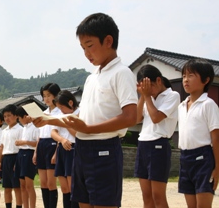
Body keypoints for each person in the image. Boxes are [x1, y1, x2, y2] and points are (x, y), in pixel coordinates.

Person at [62, 13, 138, 208]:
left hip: (104, 148)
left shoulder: (121, 72)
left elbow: (131, 117)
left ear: (108, 41)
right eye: (82, 48)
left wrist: (88, 129)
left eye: (89, 45)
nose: (86, 53)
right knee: (83, 203)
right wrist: (48, 120)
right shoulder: (91, 77)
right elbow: (83, 116)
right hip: (82, 148)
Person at [135, 64, 180, 208]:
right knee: (146, 196)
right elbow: (136, 119)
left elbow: (156, 118)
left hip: (158, 145)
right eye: (144, 87)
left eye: (150, 86)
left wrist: (147, 96)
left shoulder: (172, 95)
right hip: (143, 143)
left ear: (159, 81)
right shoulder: (148, 97)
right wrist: (143, 96)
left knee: (158, 196)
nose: (149, 90)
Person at [178, 59, 219, 208]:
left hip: (203, 158)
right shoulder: (181, 106)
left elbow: (216, 139)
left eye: (191, 75)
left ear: (206, 80)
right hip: (185, 158)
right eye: (183, 76)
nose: (185, 80)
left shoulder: (208, 105)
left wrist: (217, 169)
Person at [33, 83, 61, 208]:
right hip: (42, 145)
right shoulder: (43, 113)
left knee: (51, 183)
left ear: (56, 95)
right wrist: (35, 152)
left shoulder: (60, 112)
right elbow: (39, 134)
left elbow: (60, 133)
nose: (46, 98)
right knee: (43, 183)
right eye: (44, 96)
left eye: (49, 95)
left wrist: (56, 152)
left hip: (52, 143)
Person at [51, 90, 80, 208]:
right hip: (62, 149)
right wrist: (62, 140)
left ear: (71, 102)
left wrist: (66, 124)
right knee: (64, 187)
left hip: (74, 149)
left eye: (62, 107)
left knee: (72, 186)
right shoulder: (61, 115)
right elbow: (53, 132)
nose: (61, 110)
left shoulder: (80, 113)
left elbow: (78, 134)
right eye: (59, 107)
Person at [0, 104, 23, 208]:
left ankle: (19, 206)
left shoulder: (20, 129)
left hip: (16, 157)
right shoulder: (4, 131)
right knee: (7, 187)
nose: (7, 118)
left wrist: (18, 163)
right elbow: (1, 147)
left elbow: (22, 147)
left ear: (16, 116)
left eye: (9, 115)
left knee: (17, 186)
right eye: (5, 116)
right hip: (6, 158)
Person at [15, 105, 39, 208]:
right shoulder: (24, 128)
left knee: (29, 185)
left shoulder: (35, 127)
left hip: (29, 154)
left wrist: (25, 142)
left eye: (20, 118)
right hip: (21, 154)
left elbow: (37, 143)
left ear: (25, 116)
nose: (19, 121)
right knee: (22, 184)